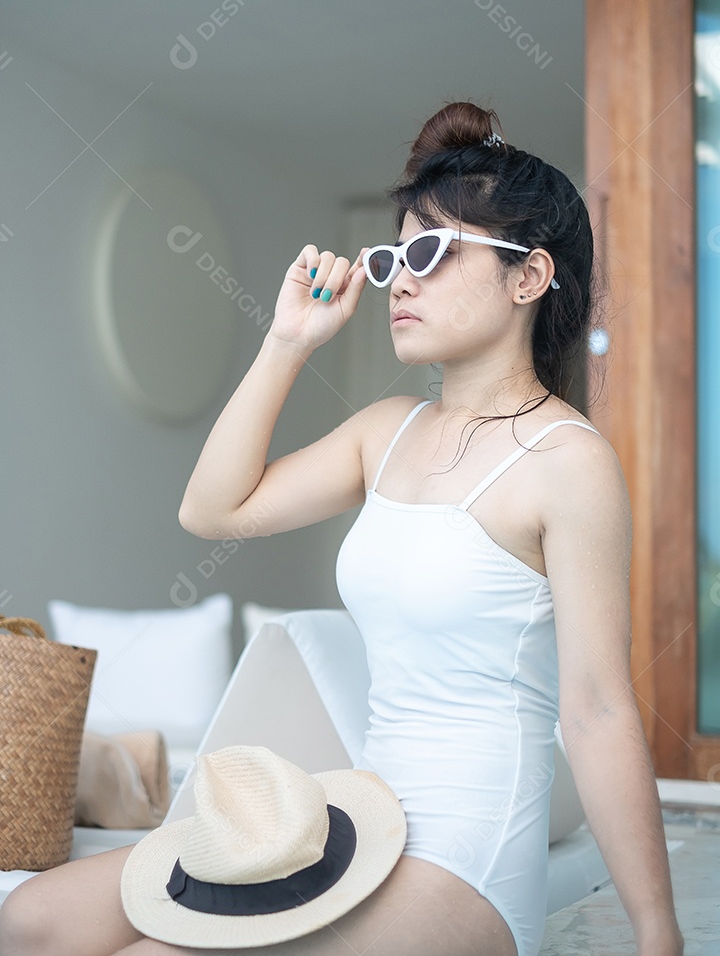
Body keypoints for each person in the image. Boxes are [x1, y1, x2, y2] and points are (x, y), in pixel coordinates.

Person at [0, 101, 683, 956]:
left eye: (432, 251)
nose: (402, 278)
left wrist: (660, 934)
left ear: (529, 276)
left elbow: (597, 712)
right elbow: (212, 511)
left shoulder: (566, 461)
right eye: (396, 253)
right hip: (360, 825)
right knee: (29, 919)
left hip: (466, 860)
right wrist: (288, 342)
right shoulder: (384, 430)